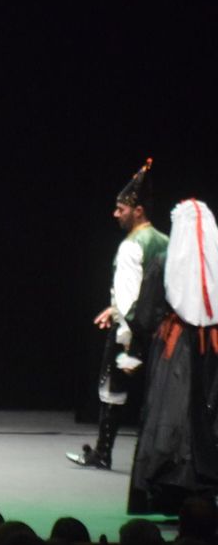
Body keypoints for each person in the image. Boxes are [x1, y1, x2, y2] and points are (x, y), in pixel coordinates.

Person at [69, 159, 167, 470]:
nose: (115, 213)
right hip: (161, 330)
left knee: (113, 389)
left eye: (121, 209)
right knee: (157, 394)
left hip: (130, 330)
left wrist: (123, 330)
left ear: (138, 211)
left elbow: (129, 297)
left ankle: (103, 452)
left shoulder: (131, 246)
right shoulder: (164, 242)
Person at [128, 198, 218, 514]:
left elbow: (144, 315)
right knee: (205, 414)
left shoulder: (165, 262)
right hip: (212, 350)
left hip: (176, 351)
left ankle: (170, 494)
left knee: (173, 415)